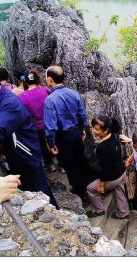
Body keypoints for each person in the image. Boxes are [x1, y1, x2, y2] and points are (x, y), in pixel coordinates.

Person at [0, 69, 59, 209]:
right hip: (25, 146)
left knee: (41, 193)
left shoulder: (11, 102)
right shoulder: (43, 91)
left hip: (26, 156)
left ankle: (57, 217)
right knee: (32, 192)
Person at [43, 65, 90, 198]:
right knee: (80, 158)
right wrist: (82, 130)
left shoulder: (50, 100)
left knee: (70, 164)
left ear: (51, 80)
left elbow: (50, 126)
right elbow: (82, 115)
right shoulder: (74, 93)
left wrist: (51, 143)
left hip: (62, 137)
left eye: (46, 77)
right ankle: (88, 185)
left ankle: (80, 191)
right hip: (75, 132)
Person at [86, 116, 130, 219]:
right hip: (121, 171)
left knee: (91, 189)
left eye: (96, 129)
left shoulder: (103, 147)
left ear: (105, 130)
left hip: (112, 176)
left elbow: (104, 169)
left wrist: (101, 185)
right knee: (119, 190)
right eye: (93, 127)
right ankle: (123, 213)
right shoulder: (114, 135)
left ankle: (98, 210)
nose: (93, 130)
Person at [18, 69, 56, 172]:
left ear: (25, 81)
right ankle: (61, 164)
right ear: (37, 79)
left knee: (42, 145)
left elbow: (24, 114)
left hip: (36, 126)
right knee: (55, 142)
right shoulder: (45, 90)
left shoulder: (22, 97)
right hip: (50, 122)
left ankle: (49, 164)